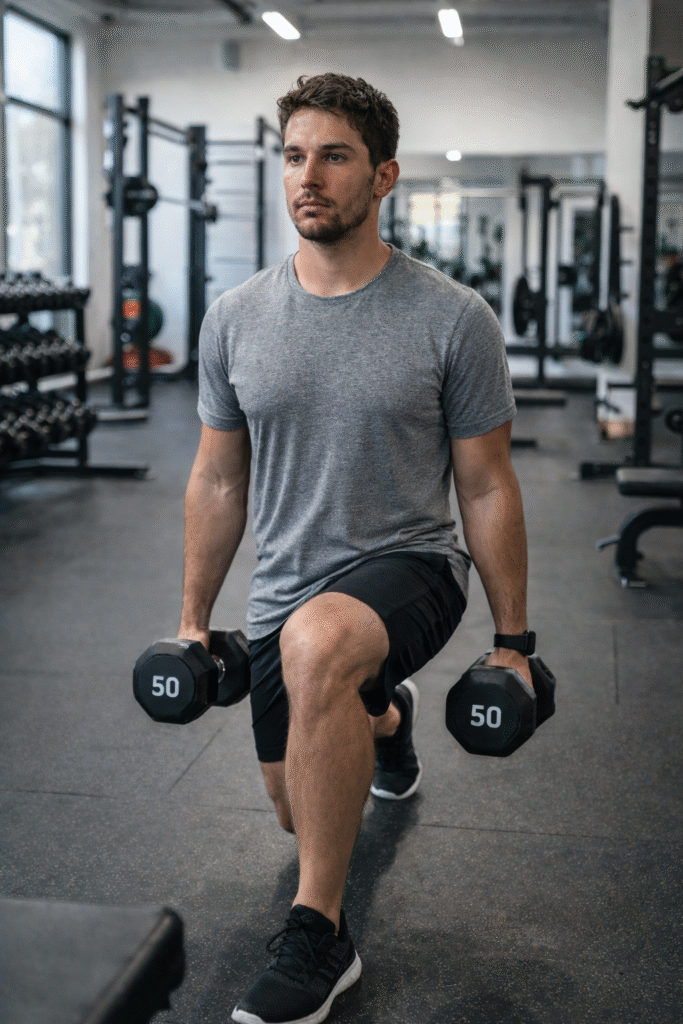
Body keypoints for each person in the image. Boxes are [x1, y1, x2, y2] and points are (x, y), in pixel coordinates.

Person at [180, 72, 533, 1024]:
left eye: (333, 157)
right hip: (284, 589)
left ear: (383, 177)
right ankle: (383, 718)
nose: (309, 177)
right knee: (301, 805)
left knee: (320, 649)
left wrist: (514, 644)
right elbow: (219, 480)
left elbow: (487, 482)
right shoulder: (235, 318)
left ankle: (319, 936)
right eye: (294, 156)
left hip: (412, 562)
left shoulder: (451, 317)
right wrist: (189, 624)